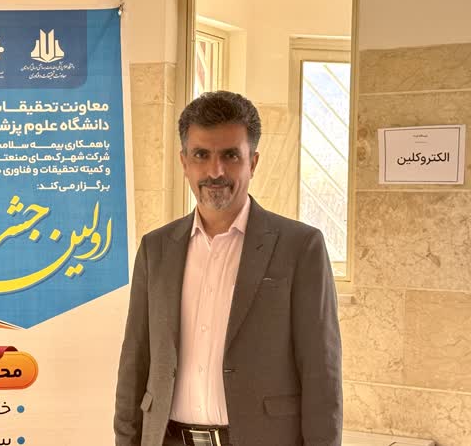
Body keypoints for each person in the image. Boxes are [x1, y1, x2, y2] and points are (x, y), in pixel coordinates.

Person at [114, 91, 342, 446]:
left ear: (253, 162)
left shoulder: (300, 247)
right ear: (184, 162)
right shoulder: (155, 249)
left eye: (230, 156)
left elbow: (321, 374)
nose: (215, 171)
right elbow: (135, 362)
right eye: (201, 155)